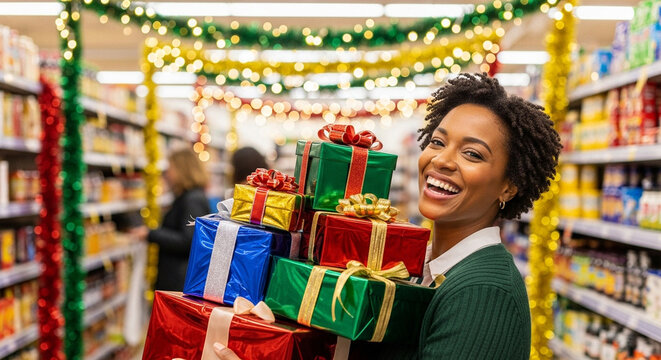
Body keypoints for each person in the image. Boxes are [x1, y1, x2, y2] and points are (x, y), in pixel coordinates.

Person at [212, 73, 562, 359]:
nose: (441, 160)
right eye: (438, 142)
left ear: (509, 187)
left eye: (472, 153)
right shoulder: (417, 267)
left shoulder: (485, 292)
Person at [148, 147, 211, 291]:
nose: (167, 174)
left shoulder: (192, 200)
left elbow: (187, 241)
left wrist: (151, 234)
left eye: (170, 168)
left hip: (179, 281)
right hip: (178, 278)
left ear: (182, 170)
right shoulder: (188, 197)